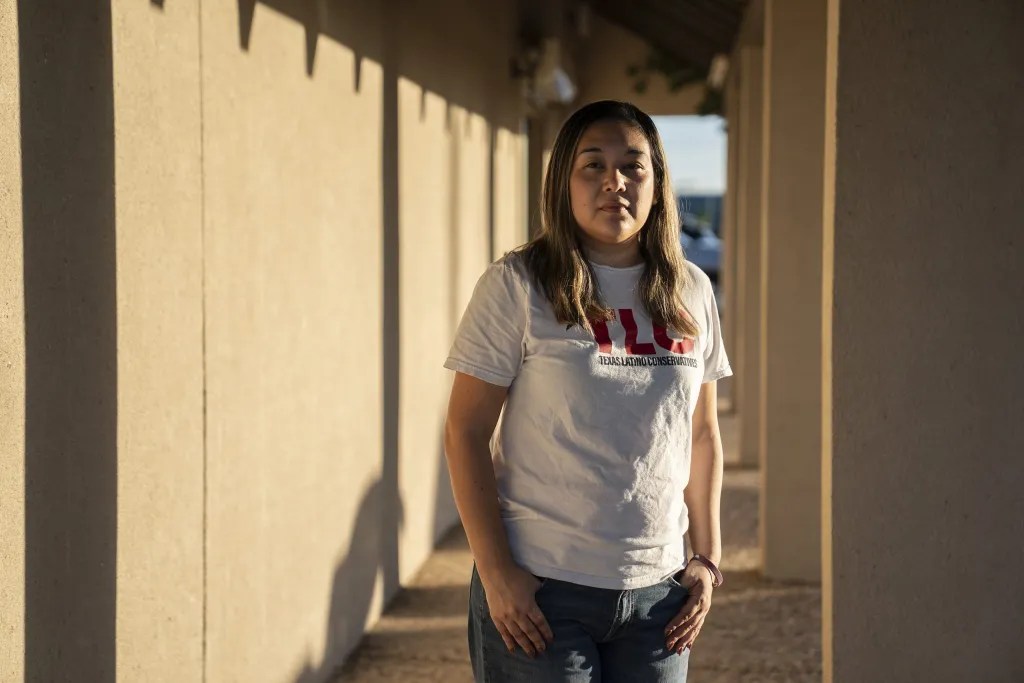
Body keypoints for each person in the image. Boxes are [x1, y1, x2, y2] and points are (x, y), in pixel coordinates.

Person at [443, 100, 731, 683]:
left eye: (634, 165)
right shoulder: (518, 285)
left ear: (658, 181)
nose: (615, 182)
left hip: (660, 597)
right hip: (544, 594)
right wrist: (498, 576)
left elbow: (700, 434)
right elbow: (465, 432)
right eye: (592, 165)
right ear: (563, 183)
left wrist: (706, 558)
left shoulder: (692, 288)